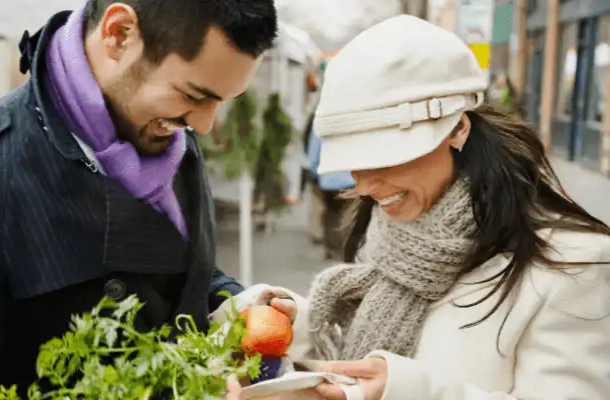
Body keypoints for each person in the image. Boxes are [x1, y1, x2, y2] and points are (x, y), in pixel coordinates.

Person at [0, 0, 279, 398]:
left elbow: (180, 272)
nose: (204, 125)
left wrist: (239, 304)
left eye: (223, 101)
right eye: (193, 94)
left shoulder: (171, 137)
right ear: (119, 34)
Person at [223, 15, 610, 399]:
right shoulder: (388, 223)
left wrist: (405, 391)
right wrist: (297, 324)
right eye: (354, 162)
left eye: (385, 157)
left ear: (458, 129)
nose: (363, 185)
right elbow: (378, 327)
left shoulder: (573, 266)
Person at [306, 125, 356, 260]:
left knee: (331, 215)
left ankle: (332, 250)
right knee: (351, 215)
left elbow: (313, 151)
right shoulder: (353, 119)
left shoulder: (321, 121)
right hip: (351, 178)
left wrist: (313, 171)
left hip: (328, 179)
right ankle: (348, 250)